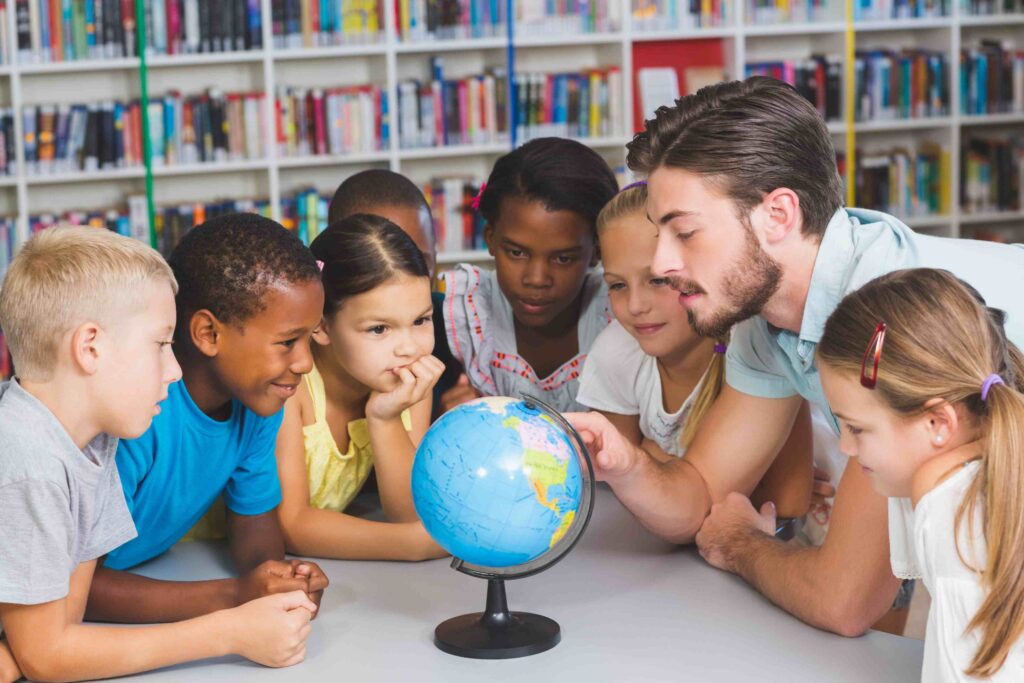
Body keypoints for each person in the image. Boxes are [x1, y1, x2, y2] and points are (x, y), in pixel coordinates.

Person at [566, 76, 1024, 636]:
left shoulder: (881, 325)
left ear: (778, 215)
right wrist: (630, 464)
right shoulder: (763, 318)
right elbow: (700, 497)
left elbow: (844, 600)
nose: (661, 262)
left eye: (683, 232)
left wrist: (739, 543)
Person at [0, 227, 316, 682]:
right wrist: (228, 632)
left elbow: (60, 633)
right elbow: (49, 656)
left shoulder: (95, 445)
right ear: (90, 348)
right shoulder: (29, 460)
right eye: (161, 344)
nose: (173, 370)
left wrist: (25, 654)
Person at [86, 214, 330, 623]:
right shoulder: (134, 416)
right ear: (208, 334)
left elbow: (255, 531)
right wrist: (236, 596)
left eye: (310, 338)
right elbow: (78, 589)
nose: (305, 362)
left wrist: (280, 582)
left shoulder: (258, 403)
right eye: (288, 341)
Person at [818, 268, 1024, 680]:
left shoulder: (951, 508)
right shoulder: (982, 474)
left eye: (857, 428)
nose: (845, 446)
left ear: (938, 423)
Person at [578, 183, 812, 518]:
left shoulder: (760, 345)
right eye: (617, 285)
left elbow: (786, 503)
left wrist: (653, 459)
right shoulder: (616, 351)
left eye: (657, 280)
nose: (635, 305)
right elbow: (615, 478)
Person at [275, 215, 447, 561]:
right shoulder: (289, 386)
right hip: (193, 555)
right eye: (379, 329)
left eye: (421, 320)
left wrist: (385, 419)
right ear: (321, 326)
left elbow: (410, 514)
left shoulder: (409, 383)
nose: (409, 348)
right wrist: (413, 545)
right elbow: (289, 524)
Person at [439, 137, 619, 413]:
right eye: (517, 253)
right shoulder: (467, 316)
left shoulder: (618, 315)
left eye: (563, 258)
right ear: (491, 238)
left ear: (597, 251)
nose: (536, 279)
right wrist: (448, 417)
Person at [326, 168, 460, 416]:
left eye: (415, 259)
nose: (398, 272)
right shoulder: (299, 371)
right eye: (373, 261)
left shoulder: (456, 325)